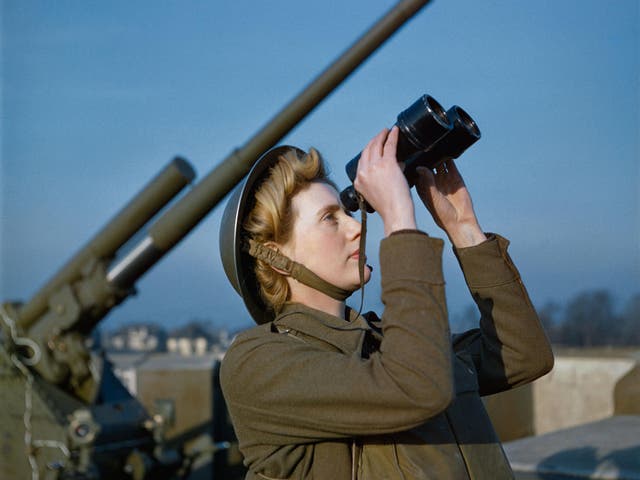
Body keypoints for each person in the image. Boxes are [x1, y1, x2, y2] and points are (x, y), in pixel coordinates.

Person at [218, 126, 554, 479]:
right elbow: (413, 387)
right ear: (275, 257)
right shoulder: (257, 363)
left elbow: (523, 356)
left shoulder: (385, 344)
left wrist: (464, 230)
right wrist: (398, 217)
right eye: (330, 218)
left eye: (347, 213)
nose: (356, 227)